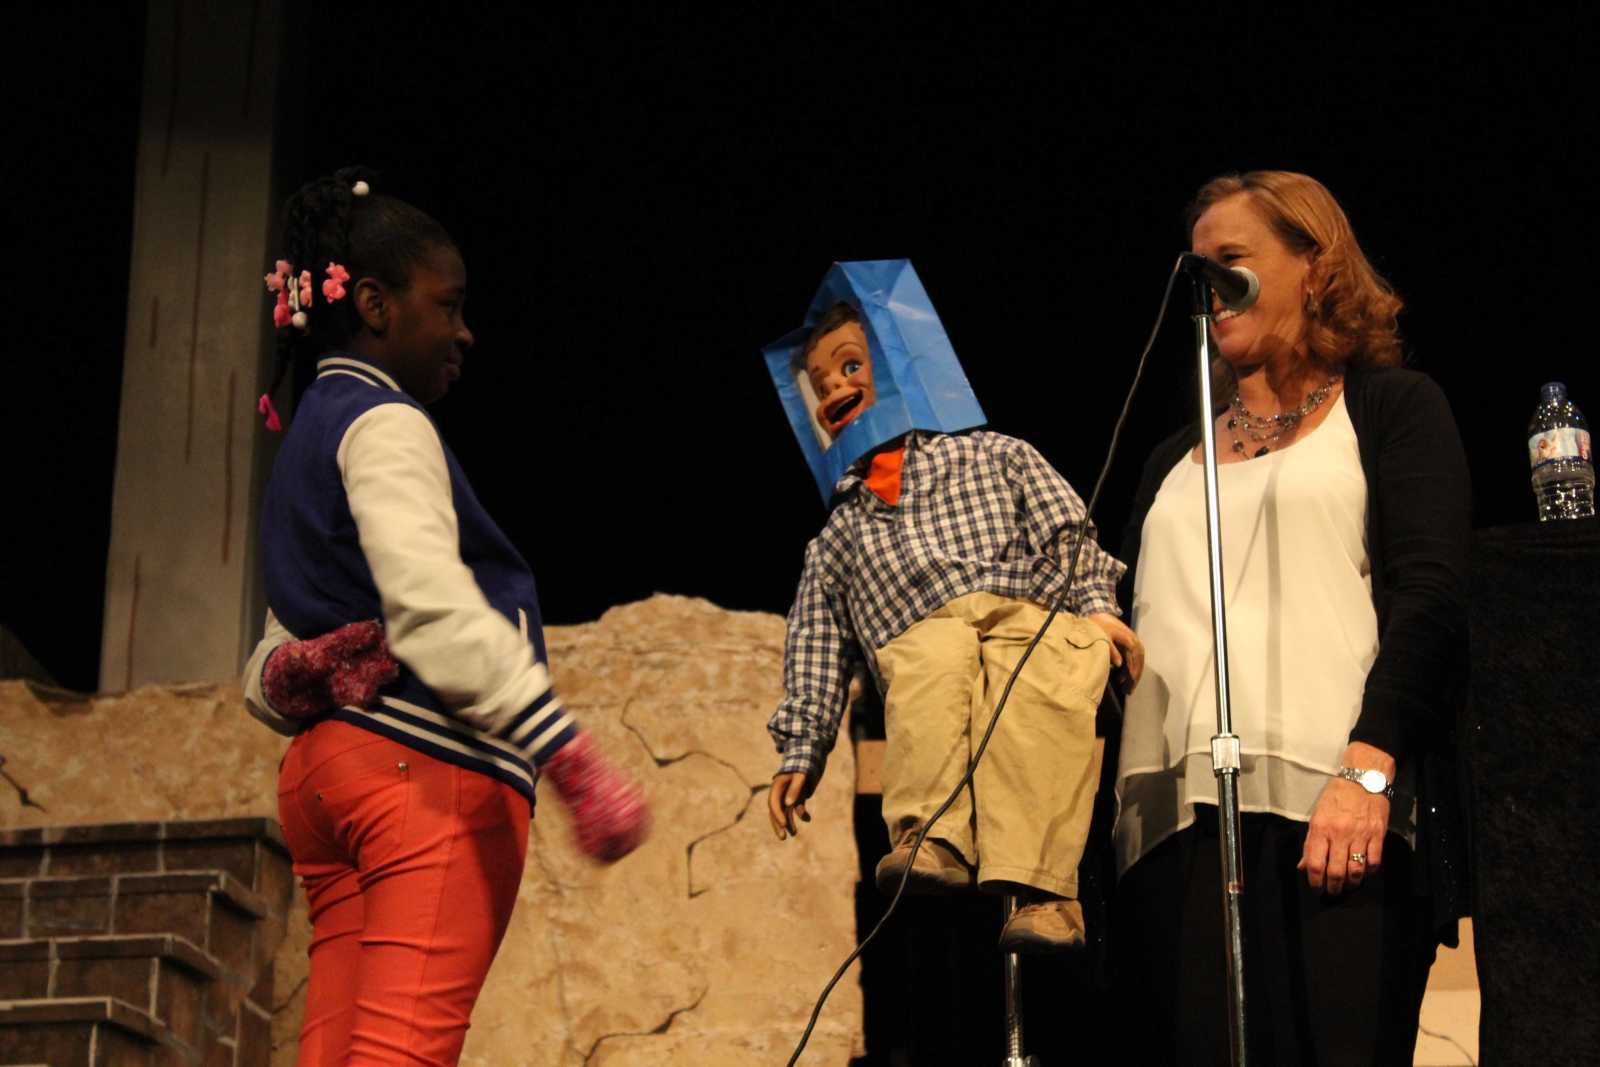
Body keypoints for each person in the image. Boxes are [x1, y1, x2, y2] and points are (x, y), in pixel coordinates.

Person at [240, 167, 648, 1067]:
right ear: (375, 305)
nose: (465, 331)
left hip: (327, 781)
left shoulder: (311, 433)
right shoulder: (386, 423)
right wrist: (563, 749)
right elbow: (430, 605)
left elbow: (280, 640)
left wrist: (283, 675)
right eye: (450, 304)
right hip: (419, 770)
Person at [1111, 170, 1470, 1064]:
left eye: (1230, 259)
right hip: (1174, 828)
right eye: (1196, 266)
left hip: (1338, 807)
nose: (1207, 284)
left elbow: (1430, 598)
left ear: (1314, 265)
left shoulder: (1390, 409)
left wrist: (1369, 772)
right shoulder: (1170, 461)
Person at [766, 299, 1144, 953]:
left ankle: (1046, 892)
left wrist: (1097, 606)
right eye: (818, 386)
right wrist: (803, 747)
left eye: (850, 366)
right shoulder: (838, 535)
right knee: (931, 658)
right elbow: (817, 643)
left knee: (1042, 678)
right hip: (919, 634)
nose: (834, 391)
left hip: (1027, 615)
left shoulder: (995, 455)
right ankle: (932, 836)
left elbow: (1065, 531)